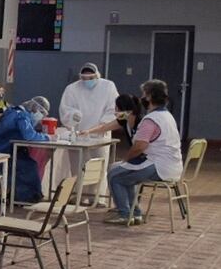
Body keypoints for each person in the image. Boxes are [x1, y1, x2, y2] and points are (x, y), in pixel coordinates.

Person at [105, 80, 183, 225]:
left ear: (149, 97)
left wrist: (126, 159)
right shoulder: (167, 115)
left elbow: (139, 147)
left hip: (158, 166)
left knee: (115, 176)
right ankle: (134, 213)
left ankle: (125, 214)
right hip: (171, 165)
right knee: (123, 174)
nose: (142, 98)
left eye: (144, 94)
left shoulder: (150, 120)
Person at [58, 62, 119, 201]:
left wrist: (103, 124)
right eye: (84, 78)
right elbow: (65, 109)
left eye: (91, 78)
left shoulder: (108, 87)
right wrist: (73, 116)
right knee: (77, 167)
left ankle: (97, 198)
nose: (87, 81)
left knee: (98, 167)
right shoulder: (72, 89)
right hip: (79, 135)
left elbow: (113, 108)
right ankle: (79, 195)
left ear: (97, 76)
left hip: (100, 135)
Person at [0, 96, 53, 203]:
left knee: (29, 163)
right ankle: (23, 197)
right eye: (41, 112)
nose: (41, 116)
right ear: (35, 108)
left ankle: (27, 196)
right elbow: (29, 136)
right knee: (26, 166)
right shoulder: (21, 116)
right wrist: (48, 138)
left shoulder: (15, 112)